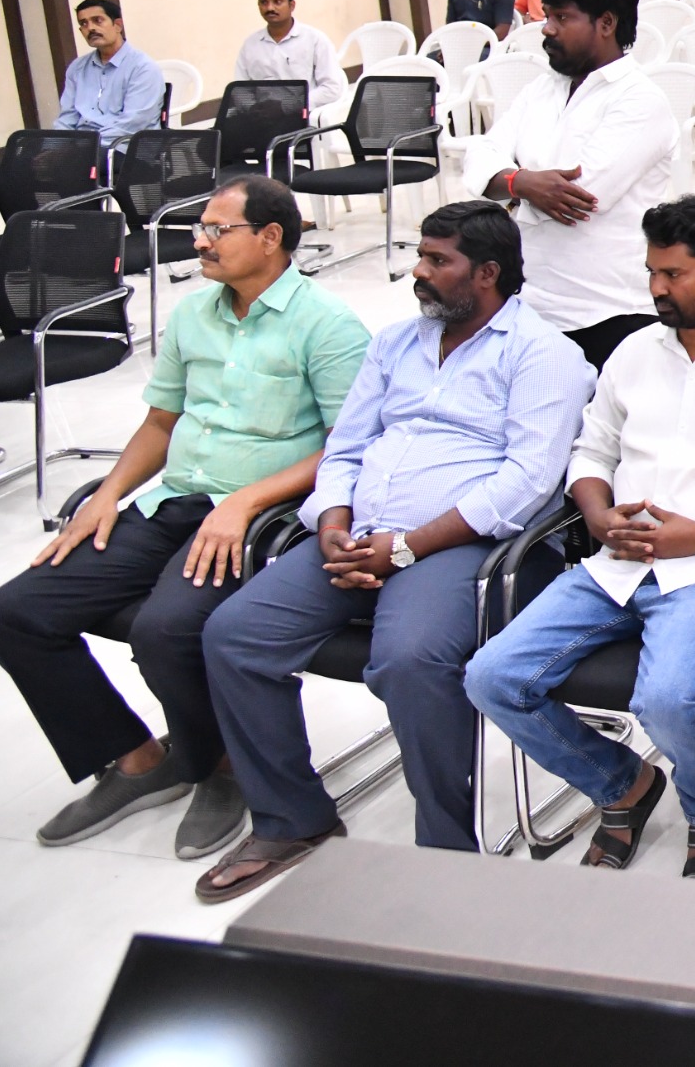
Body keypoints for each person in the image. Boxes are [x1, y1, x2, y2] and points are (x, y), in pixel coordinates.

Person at [196, 201, 594, 900]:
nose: (419, 271)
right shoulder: (395, 344)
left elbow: (526, 484)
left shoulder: (543, 354)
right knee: (234, 636)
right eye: (420, 255)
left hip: (467, 548)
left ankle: (444, 848)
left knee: (409, 661)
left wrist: (404, 548)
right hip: (357, 537)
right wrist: (333, 524)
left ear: (487, 273)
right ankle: (291, 818)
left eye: (438, 260)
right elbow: (346, 447)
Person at [0, 177, 369, 860]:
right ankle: (138, 759)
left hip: (256, 517)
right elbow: (161, 422)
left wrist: (245, 501)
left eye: (217, 229)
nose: (200, 241)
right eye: (201, 227)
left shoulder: (327, 325)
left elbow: (346, 447)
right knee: (18, 610)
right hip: (172, 500)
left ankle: (220, 765)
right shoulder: (194, 314)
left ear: (270, 238)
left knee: (165, 629)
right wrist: (110, 493)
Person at [467, 195, 695, 883]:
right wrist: (597, 514)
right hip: (615, 563)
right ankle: (622, 785)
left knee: (666, 699)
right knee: (491, 678)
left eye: (673, 274)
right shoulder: (633, 353)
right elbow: (591, 451)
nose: (657, 288)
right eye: (652, 272)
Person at [463, 0, 677, 370]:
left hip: (607, 309)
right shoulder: (542, 88)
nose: (547, 29)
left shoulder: (640, 100)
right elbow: (479, 156)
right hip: (530, 301)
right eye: (547, 16)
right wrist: (522, 182)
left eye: (562, 18)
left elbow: (579, 198)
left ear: (606, 23)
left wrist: (505, 184)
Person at [57, 0, 164, 162]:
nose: (90, 28)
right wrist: (54, 145)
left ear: (118, 25)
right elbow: (67, 117)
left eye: (97, 20)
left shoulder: (142, 68)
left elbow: (133, 123)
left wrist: (84, 148)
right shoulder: (77, 68)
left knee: (67, 167)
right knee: (28, 162)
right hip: (83, 148)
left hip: (125, 149)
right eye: (84, 23)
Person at [233, 0, 346, 114]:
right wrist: (253, 109)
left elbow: (332, 88)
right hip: (260, 116)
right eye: (264, 2)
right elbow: (240, 88)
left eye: (277, 1)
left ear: (292, 5)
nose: (270, 8)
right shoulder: (251, 44)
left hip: (301, 114)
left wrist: (286, 107)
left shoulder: (314, 39)